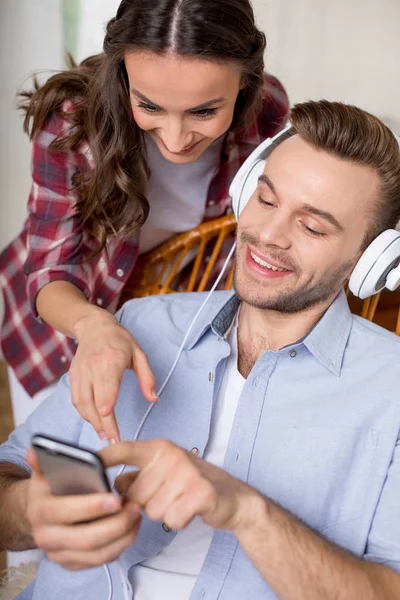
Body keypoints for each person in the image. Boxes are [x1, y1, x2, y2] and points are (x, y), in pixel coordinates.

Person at [1, 99, 400, 600]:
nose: (267, 235)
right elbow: (11, 472)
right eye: (267, 199)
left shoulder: (392, 391)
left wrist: (244, 510)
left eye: (312, 226)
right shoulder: (138, 324)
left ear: (372, 260)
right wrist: (31, 509)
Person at [0, 0, 288, 439]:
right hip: (61, 323)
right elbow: (51, 269)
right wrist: (92, 325)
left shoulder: (267, 111)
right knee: (60, 475)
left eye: (204, 112)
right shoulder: (72, 122)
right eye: (149, 105)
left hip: (167, 321)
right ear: (123, 77)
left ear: (245, 85)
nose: (175, 139)